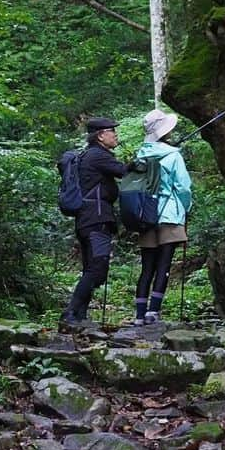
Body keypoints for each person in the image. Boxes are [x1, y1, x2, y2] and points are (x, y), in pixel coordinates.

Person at [60, 116, 127, 329]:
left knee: (91, 267)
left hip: (86, 220)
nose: (115, 134)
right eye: (112, 131)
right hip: (96, 219)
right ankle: (71, 313)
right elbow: (123, 171)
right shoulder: (98, 155)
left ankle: (79, 315)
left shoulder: (86, 156)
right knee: (97, 268)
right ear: (100, 135)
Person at [132, 108, 192, 325]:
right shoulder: (173, 155)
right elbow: (183, 187)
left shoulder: (140, 154)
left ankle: (139, 314)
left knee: (147, 267)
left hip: (146, 215)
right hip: (169, 215)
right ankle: (153, 312)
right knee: (164, 265)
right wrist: (186, 208)